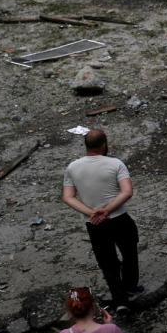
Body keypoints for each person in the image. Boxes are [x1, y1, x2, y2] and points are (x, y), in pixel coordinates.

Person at [63, 129, 142, 309]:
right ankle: (130, 286)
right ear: (104, 144)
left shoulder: (72, 167)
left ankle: (119, 299)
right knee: (129, 252)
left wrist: (91, 213)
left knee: (107, 262)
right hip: (119, 218)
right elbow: (127, 192)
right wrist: (106, 211)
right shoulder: (116, 164)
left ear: (86, 145)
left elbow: (68, 197)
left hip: (94, 224)